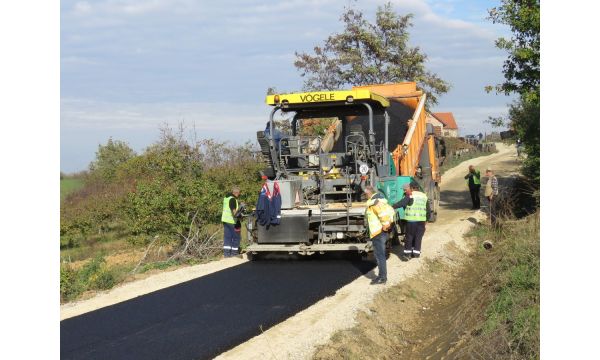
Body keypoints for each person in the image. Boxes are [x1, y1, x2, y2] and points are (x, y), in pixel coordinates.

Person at [364, 185, 394, 285]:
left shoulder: (374, 203)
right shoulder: (382, 201)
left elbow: (382, 214)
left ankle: (382, 277)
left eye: (365, 194)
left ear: (369, 193)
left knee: (379, 255)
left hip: (378, 232)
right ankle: (382, 276)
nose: (365, 196)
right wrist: (389, 223)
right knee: (380, 255)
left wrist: (386, 224)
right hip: (382, 231)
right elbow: (391, 211)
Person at [392, 182, 430, 261]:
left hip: (412, 220)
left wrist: (392, 206)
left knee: (409, 237)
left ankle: (407, 254)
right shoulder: (424, 196)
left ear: (412, 188)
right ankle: (416, 253)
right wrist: (427, 219)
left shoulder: (410, 195)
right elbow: (428, 210)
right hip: (421, 221)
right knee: (418, 237)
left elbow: (402, 203)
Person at [221, 186, 243, 258]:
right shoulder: (233, 199)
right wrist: (240, 214)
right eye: (239, 193)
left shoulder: (226, 198)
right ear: (236, 193)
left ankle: (226, 254)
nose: (239, 195)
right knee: (236, 237)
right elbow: (234, 212)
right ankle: (234, 254)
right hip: (232, 221)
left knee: (227, 237)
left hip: (225, 220)